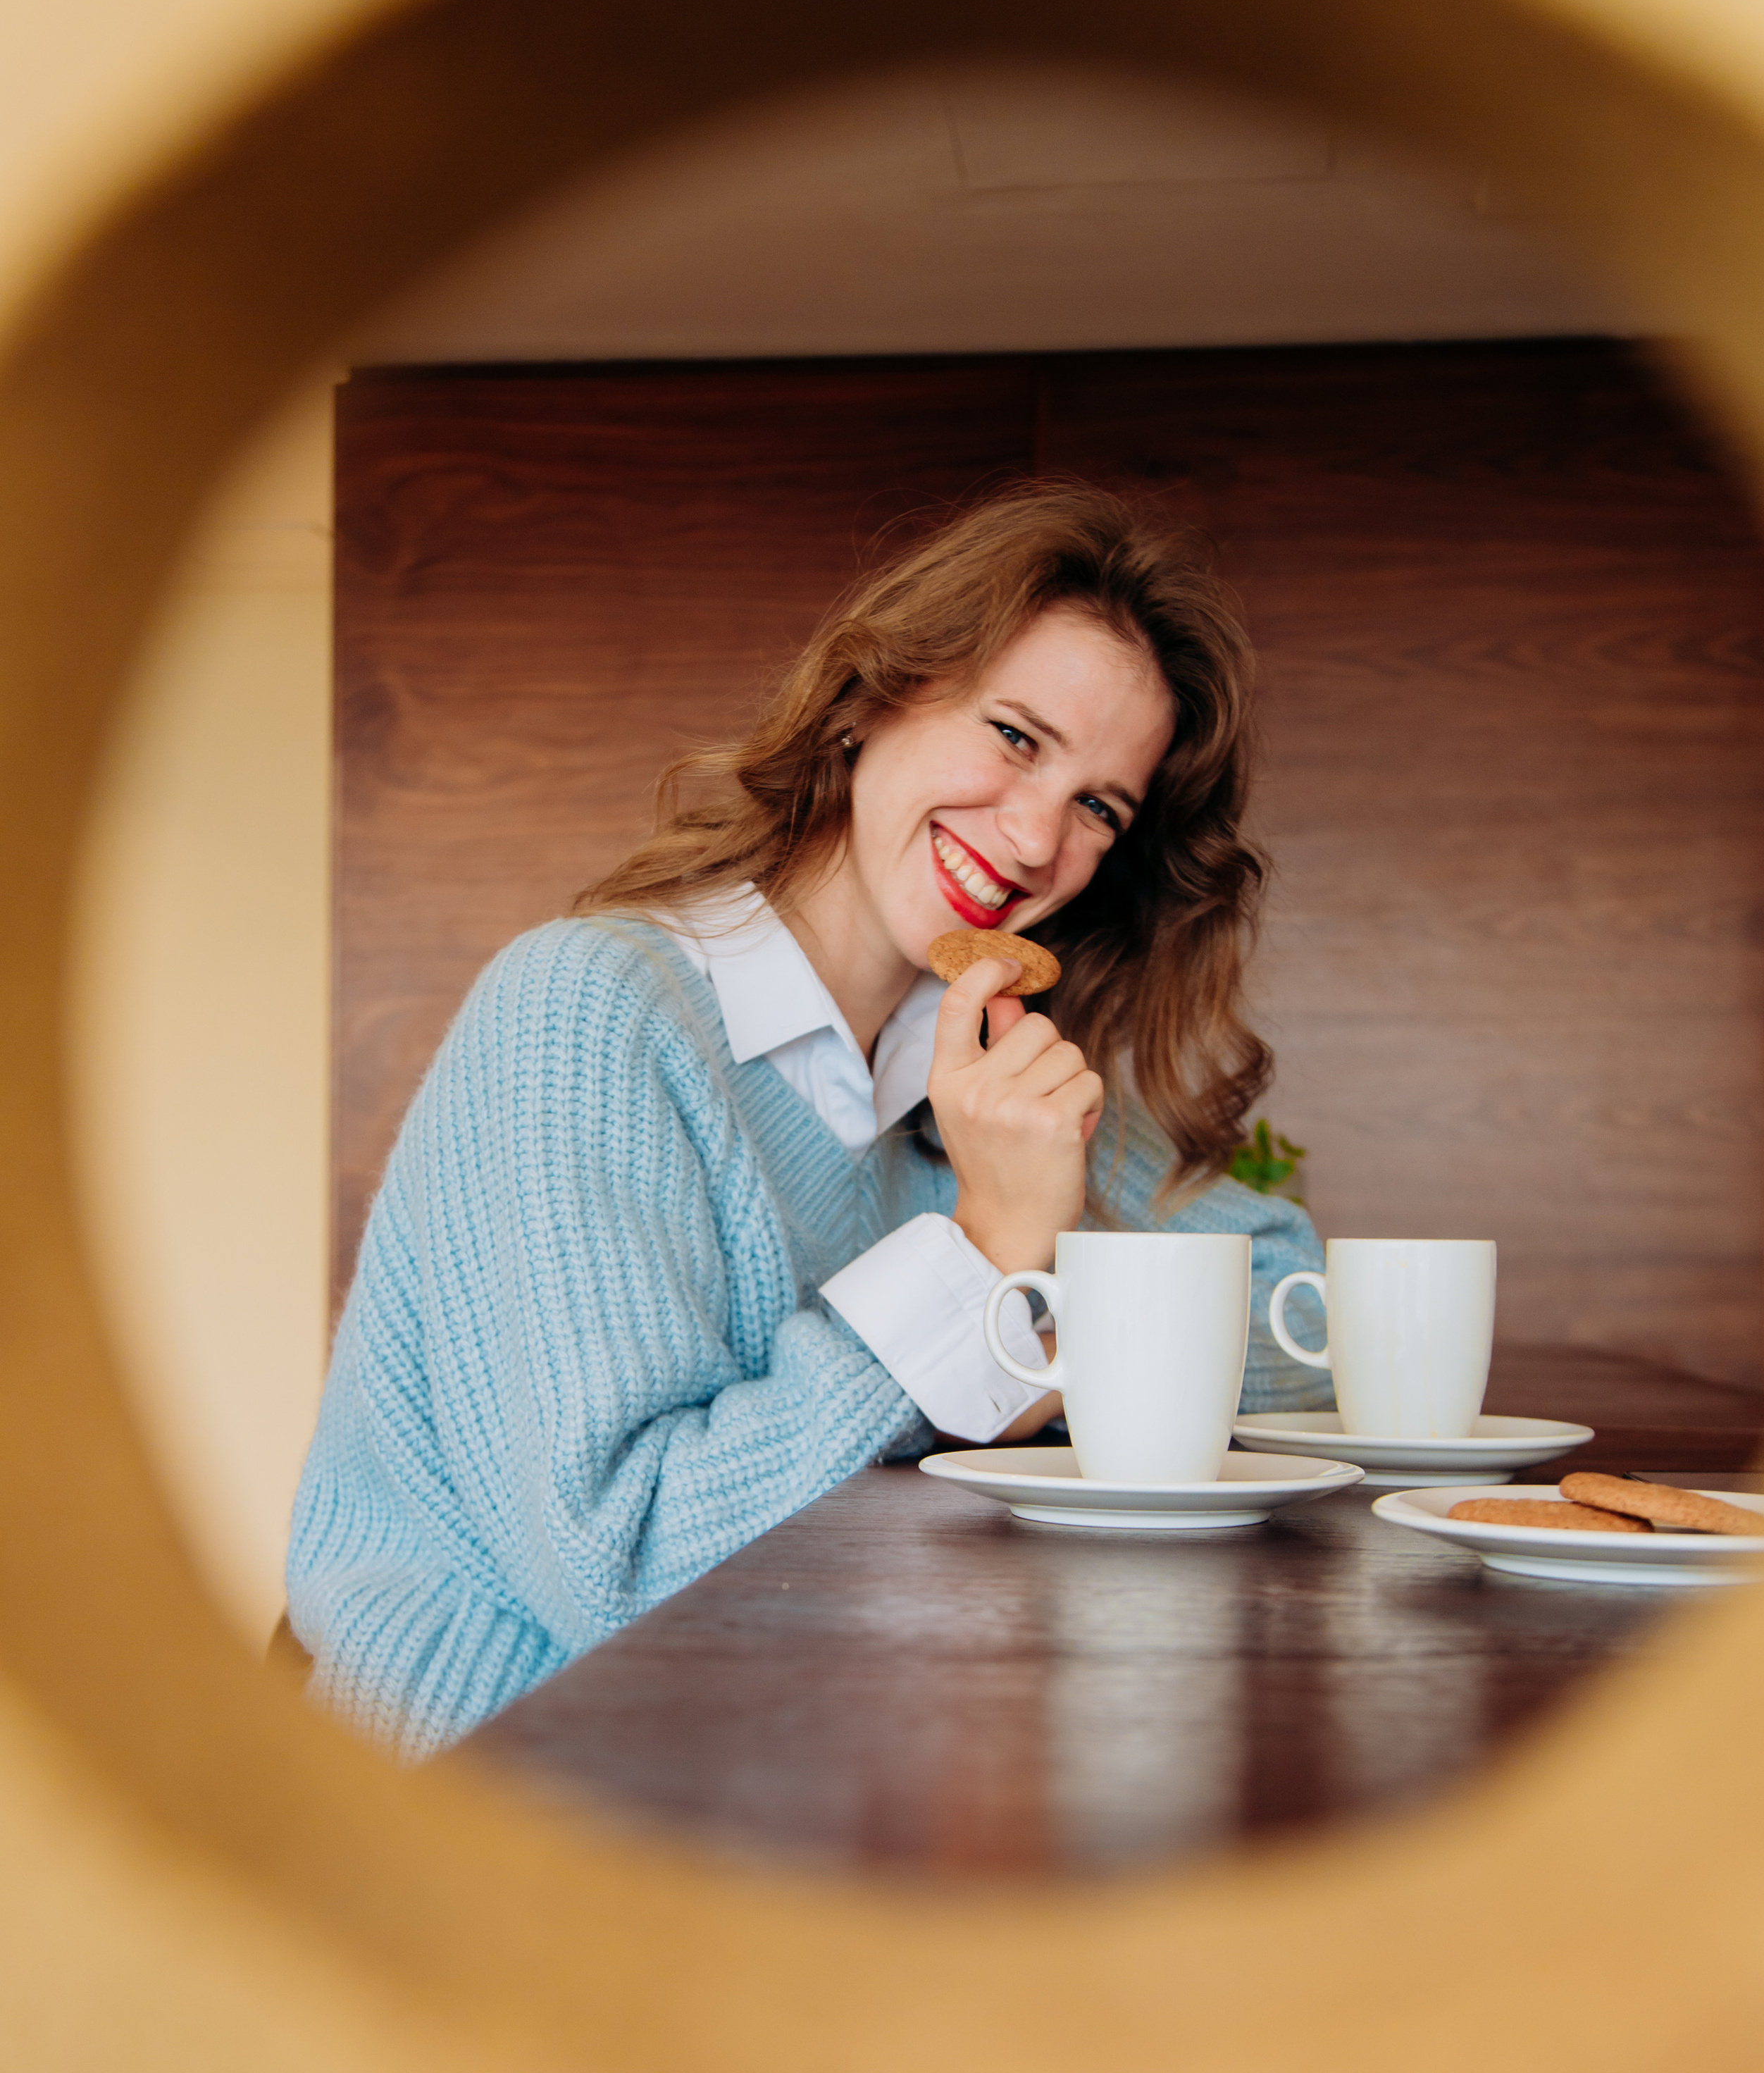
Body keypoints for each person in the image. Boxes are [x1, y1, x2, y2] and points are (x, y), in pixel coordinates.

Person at [288, 481, 1334, 1755]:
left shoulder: (974, 1083)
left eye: (1100, 807)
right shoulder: (587, 1014)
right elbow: (619, 1568)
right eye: (1016, 737)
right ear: (869, 699)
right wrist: (988, 1265)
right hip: (522, 1763)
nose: (1034, 837)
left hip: (822, 1732)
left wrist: (1027, 1346)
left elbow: (1304, 1313)